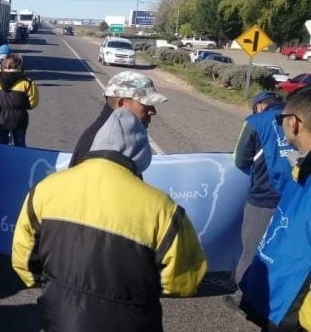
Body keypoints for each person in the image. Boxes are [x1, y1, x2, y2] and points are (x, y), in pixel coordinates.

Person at [12, 108, 207, 332]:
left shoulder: (45, 189)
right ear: (141, 153)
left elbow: (24, 260)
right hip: (133, 320)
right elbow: (183, 282)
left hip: (59, 317)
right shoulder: (163, 209)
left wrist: (54, 286)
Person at [239, 88, 311, 331]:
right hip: (279, 299)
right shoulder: (301, 168)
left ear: (293, 123)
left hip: (294, 310)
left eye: (281, 120)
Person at [232, 91, 294, 283]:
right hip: (296, 199)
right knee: (287, 252)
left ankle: (243, 298)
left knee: (251, 250)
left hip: (264, 198)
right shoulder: (299, 118)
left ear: (259, 106)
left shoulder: (255, 121)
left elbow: (240, 160)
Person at [69, 70, 167, 168]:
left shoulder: (118, 136)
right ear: (121, 104)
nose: (153, 111)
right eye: (146, 104)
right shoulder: (99, 144)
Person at [0, 53, 39, 147]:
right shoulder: (27, 82)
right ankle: (19, 161)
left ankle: (3, 160)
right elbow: (33, 103)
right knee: (20, 145)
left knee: (2, 144)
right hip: (19, 120)